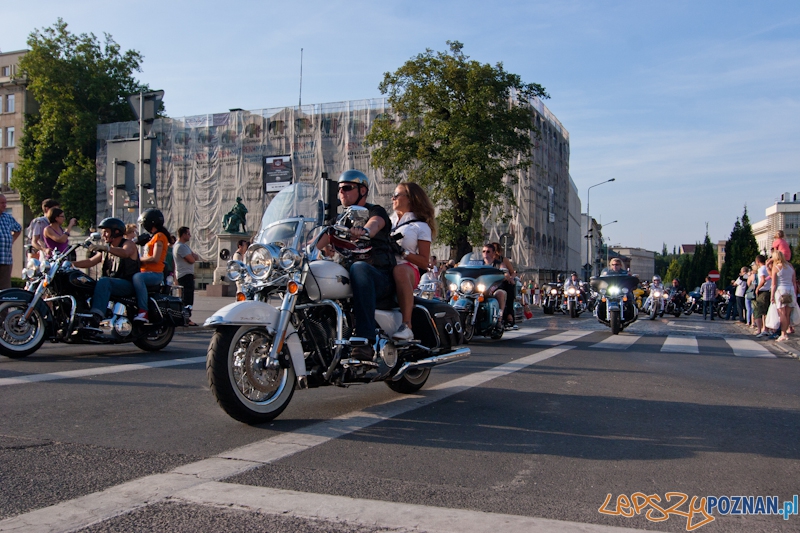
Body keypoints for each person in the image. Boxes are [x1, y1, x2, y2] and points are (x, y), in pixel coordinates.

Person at [316, 170, 395, 361]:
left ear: (363, 190)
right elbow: (316, 241)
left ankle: (365, 341)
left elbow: (375, 225)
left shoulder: (375, 211)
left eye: (347, 188)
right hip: (350, 278)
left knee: (359, 267)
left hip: (379, 277)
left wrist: (364, 230)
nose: (342, 192)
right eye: (339, 189)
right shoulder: (338, 222)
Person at [72, 218, 140, 327]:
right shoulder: (107, 249)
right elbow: (90, 261)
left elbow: (126, 253)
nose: (103, 235)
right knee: (86, 283)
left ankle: (96, 316)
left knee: (104, 281)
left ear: (116, 232)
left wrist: (106, 248)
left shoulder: (128, 244)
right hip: (112, 284)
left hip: (127, 283)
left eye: (106, 231)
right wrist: (71, 264)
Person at [389, 181, 435, 341]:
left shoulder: (420, 226)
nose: (392, 198)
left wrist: (402, 252)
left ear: (410, 198)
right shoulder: (388, 222)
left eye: (396, 195)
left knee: (399, 270)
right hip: (386, 267)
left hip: (407, 270)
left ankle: (407, 325)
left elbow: (424, 262)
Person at [132, 209, 172, 322]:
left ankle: (143, 312)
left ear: (150, 222)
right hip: (146, 272)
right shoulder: (153, 237)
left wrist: (138, 260)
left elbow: (155, 258)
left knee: (137, 278)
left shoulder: (159, 236)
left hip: (154, 274)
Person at [174, 227, 200, 326]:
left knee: (187, 297)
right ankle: (186, 318)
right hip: (185, 275)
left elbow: (195, 256)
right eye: (188, 234)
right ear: (183, 234)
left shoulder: (184, 246)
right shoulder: (180, 247)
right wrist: (192, 257)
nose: (190, 236)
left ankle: (185, 318)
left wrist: (193, 256)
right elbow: (192, 259)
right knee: (187, 298)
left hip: (186, 274)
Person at [770, 250, 797, 342]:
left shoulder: (776, 267)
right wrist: (795, 293)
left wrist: (772, 296)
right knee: (788, 314)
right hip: (791, 290)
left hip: (780, 291)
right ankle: (786, 331)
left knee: (782, 314)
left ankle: (783, 333)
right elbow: (794, 282)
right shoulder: (790, 266)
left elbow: (773, 284)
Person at [481, 244, 513, 321]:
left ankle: (499, 318)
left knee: (500, 294)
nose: (485, 253)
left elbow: (506, 273)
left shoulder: (499, 264)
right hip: (480, 287)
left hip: (494, 287)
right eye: (484, 251)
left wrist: (505, 275)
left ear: (493, 253)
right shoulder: (478, 264)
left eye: (488, 252)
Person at [491, 243, 518, 329]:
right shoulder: (485, 261)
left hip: (502, 281)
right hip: (489, 282)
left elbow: (512, 272)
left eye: (493, 250)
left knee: (509, 288)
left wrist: (510, 278)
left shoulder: (503, 261)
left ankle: (509, 315)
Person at [0, 194, 22, 290]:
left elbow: (18, 228)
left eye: (5, 203)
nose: (4, 205)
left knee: (5, 289)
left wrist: (11, 240)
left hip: (6, 259)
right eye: (2, 203)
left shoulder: (7, 217)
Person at [753, 254, 772, 337]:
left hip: (762, 291)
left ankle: (762, 329)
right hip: (769, 291)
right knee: (766, 311)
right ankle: (766, 328)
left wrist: (757, 288)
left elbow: (763, 280)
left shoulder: (761, 269)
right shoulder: (768, 268)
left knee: (760, 311)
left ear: (758, 261)